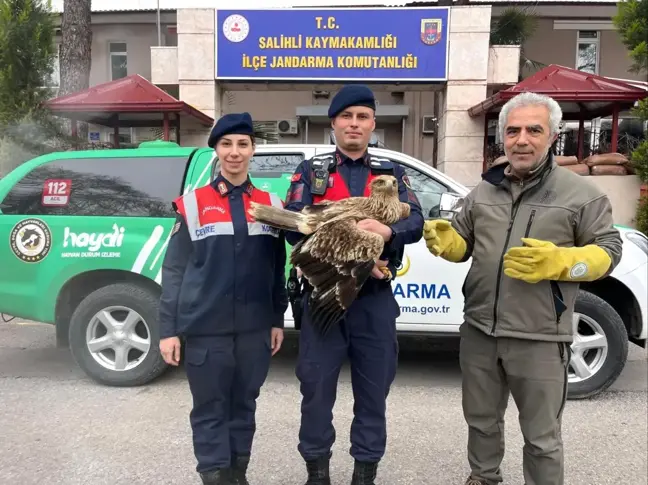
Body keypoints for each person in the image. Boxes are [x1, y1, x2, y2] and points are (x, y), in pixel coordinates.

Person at [422, 92, 623, 485]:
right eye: (512, 131)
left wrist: (563, 263)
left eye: (534, 130)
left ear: (552, 137)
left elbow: (609, 251)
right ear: (503, 137)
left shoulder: (581, 194)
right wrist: (448, 243)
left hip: (541, 336)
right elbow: (463, 242)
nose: (522, 139)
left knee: (542, 439)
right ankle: (483, 478)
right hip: (480, 330)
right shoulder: (484, 190)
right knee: (481, 424)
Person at [283, 84, 425, 485]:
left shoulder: (391, 174)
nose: (354, 124)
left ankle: (365, 473)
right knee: (315, 391)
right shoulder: (311, 173)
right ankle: (317, 472)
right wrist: (352, 254)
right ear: (334, 124)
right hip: (323, 295)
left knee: (374, 392)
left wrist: (386, 232)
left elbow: (416, 222)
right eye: (347, 116)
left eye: (362, 117)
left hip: (373, 301)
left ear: (373, 125)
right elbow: (295, 228)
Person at [157, 112, 289, 485]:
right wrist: (169, 329)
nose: (234, 152)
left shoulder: (270, 203)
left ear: (252, 150)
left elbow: (277, 265)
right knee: (210, 409)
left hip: (254, 330)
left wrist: (276, 318)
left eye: (242, 144)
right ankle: (215, 477)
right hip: (206, 330)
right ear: (215, 149)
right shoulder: (192, 203)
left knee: (244, 406)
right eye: (226, 144)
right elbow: (175, 271)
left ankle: (238, 474)